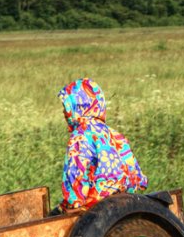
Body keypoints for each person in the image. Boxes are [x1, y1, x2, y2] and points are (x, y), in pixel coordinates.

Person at [56, 78, 147, 212]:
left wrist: (72, 203)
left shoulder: (80, 135)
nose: (64, 113)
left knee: (54, 214)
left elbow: (75, 175)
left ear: (79, 106)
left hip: (97, 202)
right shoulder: (113, 133)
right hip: (126, 197)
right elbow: (134, 171)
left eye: (67, 108)